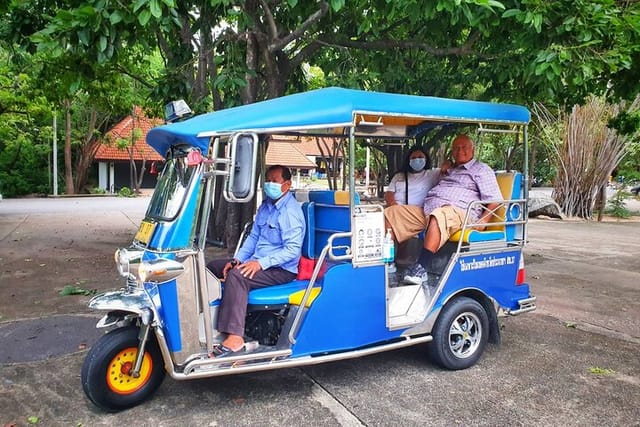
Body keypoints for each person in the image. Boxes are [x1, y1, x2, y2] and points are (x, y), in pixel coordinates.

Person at [207, 165, 305, 356]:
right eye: (267, 180)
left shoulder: (291, 213)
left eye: (274, 181)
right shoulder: (266, 206)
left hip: (281, 269)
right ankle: (208, 321)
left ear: (287, 185)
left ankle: (235, 336)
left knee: (237, 276)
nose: (269, 184)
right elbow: (253, 238)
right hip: (257, 261)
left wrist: (260, 263)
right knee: (214, 267)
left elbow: (292, 251)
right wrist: (238, 259)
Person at [384, 134, 503, 282]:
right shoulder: (451, 169)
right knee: (392, 212)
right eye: (456, 148)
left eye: (464, 147)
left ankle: (421, 268)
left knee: (438, 215)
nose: (460, 151)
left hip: (458, 212)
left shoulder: (481, 170)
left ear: (473, 149)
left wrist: (483, 221)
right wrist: (445, 168)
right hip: (429, 209)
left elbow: (495, 199)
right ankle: (389, 262)